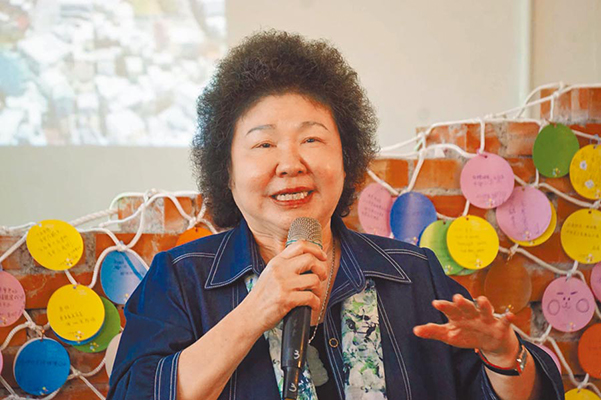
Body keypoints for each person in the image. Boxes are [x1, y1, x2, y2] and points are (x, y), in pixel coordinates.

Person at [107, 30, 564, 400]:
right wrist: (255, 312)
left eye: (311, 139)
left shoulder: (413, 274)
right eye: (264, 144)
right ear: (226, 172)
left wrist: (504, 356)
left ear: (347, 160)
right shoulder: (180, 279)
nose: (290, 164)